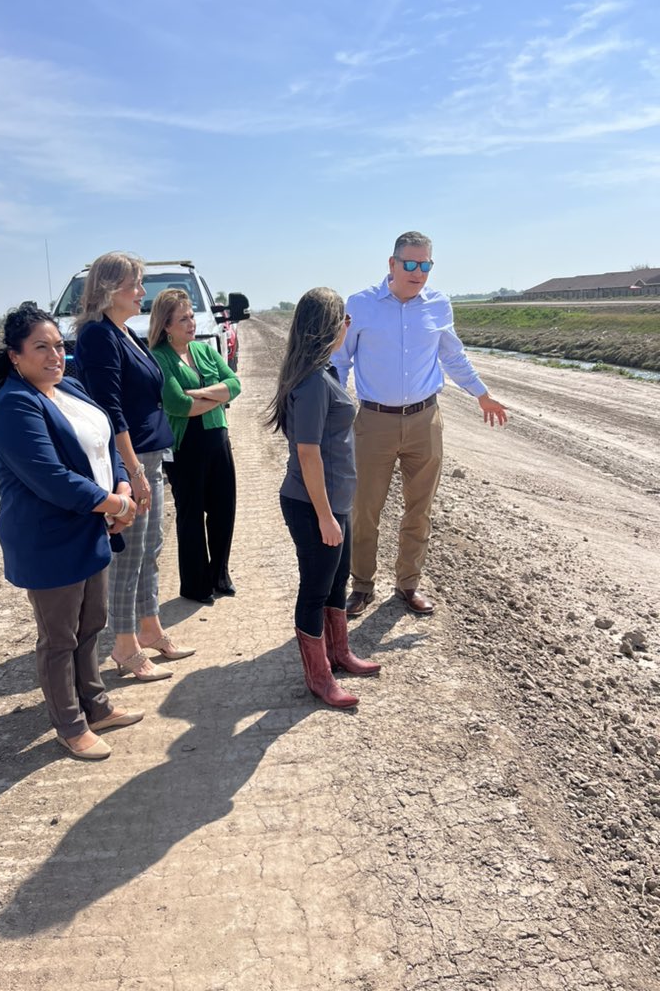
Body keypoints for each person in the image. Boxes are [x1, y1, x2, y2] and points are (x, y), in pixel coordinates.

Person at [0, 304, 144, 761]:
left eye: (58, 345)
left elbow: (104, 440)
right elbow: (51, 477)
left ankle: (95, 705)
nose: (55, 355)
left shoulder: (67, 388)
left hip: (90, 526)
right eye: (41, 347)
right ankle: (69, 725)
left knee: (91, 623)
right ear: (15, 356)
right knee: (59, 638)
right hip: (48, 538)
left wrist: (122, 484)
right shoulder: (14, 405)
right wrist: (115, 505)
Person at [332, 231, 508, 618]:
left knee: (419, 509)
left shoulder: (439, 305)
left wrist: (482, 393)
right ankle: (361, 586)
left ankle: (408, 585)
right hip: (374, 422)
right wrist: (334, 411)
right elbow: (341, 361)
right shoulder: (360, 305)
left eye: (425, 264)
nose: (418, 272)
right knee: (364, 510)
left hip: (425, 421)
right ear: (391, 264)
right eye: (410, 264)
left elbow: (454, 357)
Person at [74, 252, 194, 681]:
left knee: (151, 548)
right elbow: (111, 410)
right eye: (135, 284)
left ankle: (150, 627)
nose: (143, 292)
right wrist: (134, 472)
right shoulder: (98, 336)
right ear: (109, 289)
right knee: (130, 555)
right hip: (132, 457)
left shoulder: (125, 332)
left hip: (150, 453)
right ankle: (124, 645)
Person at [268, 288, 380, 710]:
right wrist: (325, 517)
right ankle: (319, 677)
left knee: (338, 580)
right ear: (327, 326)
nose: (348, 326)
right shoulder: (313, 383)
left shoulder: (325, 372)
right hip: (314, 504)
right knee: (315, 588)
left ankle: (339, 654)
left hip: (335, 502)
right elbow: (308, 452)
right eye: (344, 319)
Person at [148, 289, 241, 604]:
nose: (190, 322)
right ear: (166, 326)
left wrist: (200, 393)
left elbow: (235, 385)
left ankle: (219, 575)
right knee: (190, 517)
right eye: (182, 318)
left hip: (218, 439)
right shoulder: (159, 357)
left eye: (191, 316)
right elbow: (177, 405)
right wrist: (215, 397)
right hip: (186, 445)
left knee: (223, 510)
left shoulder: (204, 350)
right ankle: (195, 585)